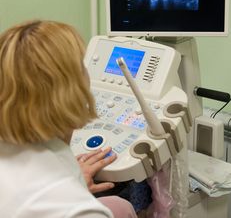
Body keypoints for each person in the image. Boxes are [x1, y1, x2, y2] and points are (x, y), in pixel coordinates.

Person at [0, 20, 137, 218]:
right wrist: (69, 186)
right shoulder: (78, 211)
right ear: (73, 91)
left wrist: (73, 177)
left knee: (118, 205)